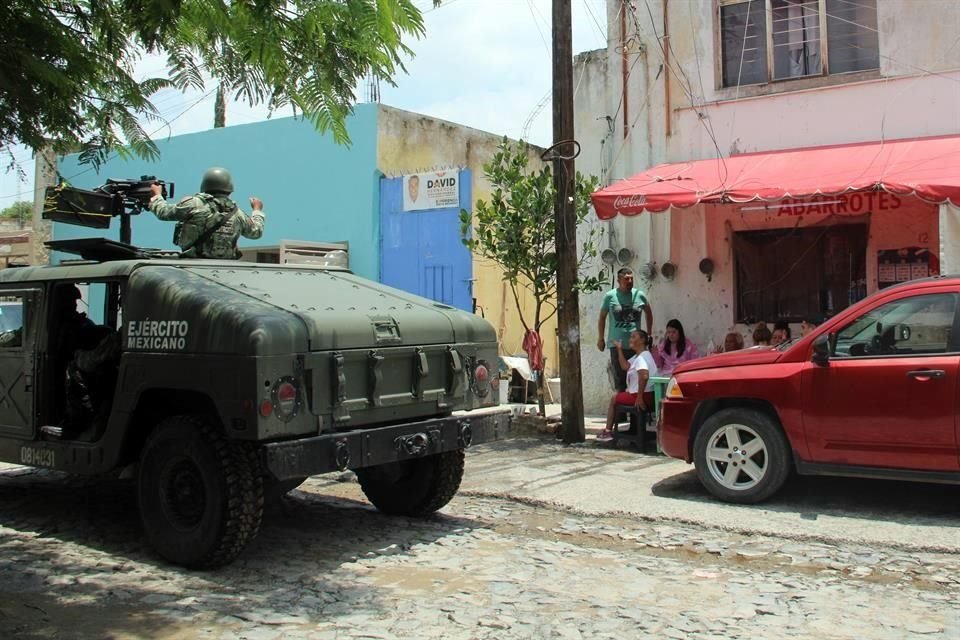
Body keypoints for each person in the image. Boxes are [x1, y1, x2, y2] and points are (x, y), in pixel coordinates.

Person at [148, 167, 265, 259]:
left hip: (193, 262)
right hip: (226, 265)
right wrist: (257, 210)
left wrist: (157, 195)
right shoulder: (237, 213)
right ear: (230, 189)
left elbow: (164, 213)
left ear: (205, 185)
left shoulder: (193, 204)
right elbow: (255, 232)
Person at [597, 267, 654, 391]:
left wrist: (649, 334)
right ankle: (622, 408)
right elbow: (602, 317)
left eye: (631, 279)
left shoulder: (640, 295)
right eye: (626, 279)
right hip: (617, 345)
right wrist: (600, 338)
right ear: (618, 280)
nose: (629, 281)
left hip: (636, 346)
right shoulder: (610, 296)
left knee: (636, 380)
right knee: (620, 381)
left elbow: (648, 314)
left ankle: (634, 406)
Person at [598, 329, 657, 441]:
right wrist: (619, 349)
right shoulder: (640, 356)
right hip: (645, 394)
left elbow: (644, 375)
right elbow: (625, 366)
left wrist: (639, 398)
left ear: (642, 340)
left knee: (613, 399)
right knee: (620, 395)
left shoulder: (642, 357)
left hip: (643, 396)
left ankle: (608, 431)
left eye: (634, 337)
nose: (630, 339)